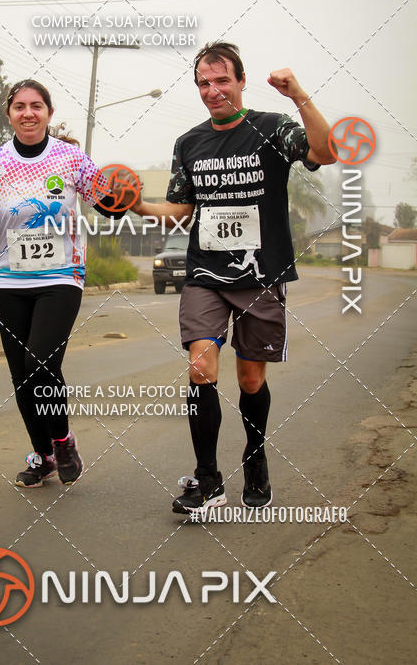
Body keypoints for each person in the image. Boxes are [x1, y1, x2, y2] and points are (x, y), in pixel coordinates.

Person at [131, 42, 336, 515]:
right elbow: (182, 212)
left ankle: (255, 456)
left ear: (240, 81)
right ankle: (207, 480)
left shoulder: (272, 128)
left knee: (248, 379)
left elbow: (324, 151)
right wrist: (138, 206)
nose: (213, 90)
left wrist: (299, 95)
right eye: (204, 82)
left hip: (261, 274)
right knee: (201, 367)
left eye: (222, 80)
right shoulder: (188, 143)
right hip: (206, 271)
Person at [0, 79, 126, 489]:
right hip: (10, 280)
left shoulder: (71, 158)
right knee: (22, 377)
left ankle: (63, 439)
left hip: (60, 277)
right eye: (19, 106)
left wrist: (124, 191)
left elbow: (108, 205)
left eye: (36, 105)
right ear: (9, 114)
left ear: (49, 113)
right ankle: (44, 456)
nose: (28, 113)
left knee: (39, 364)